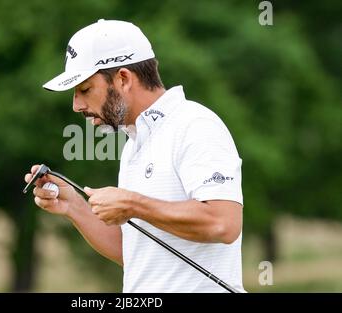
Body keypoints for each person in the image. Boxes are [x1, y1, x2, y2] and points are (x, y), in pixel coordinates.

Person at [24, 19, 245, 292]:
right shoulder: (134, 143)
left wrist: (133, 204)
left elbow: (224, 223)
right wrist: (73, 206)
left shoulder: (195, 124)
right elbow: (137, 254)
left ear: (123, 79)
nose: (76, 105)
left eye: (85, 90)